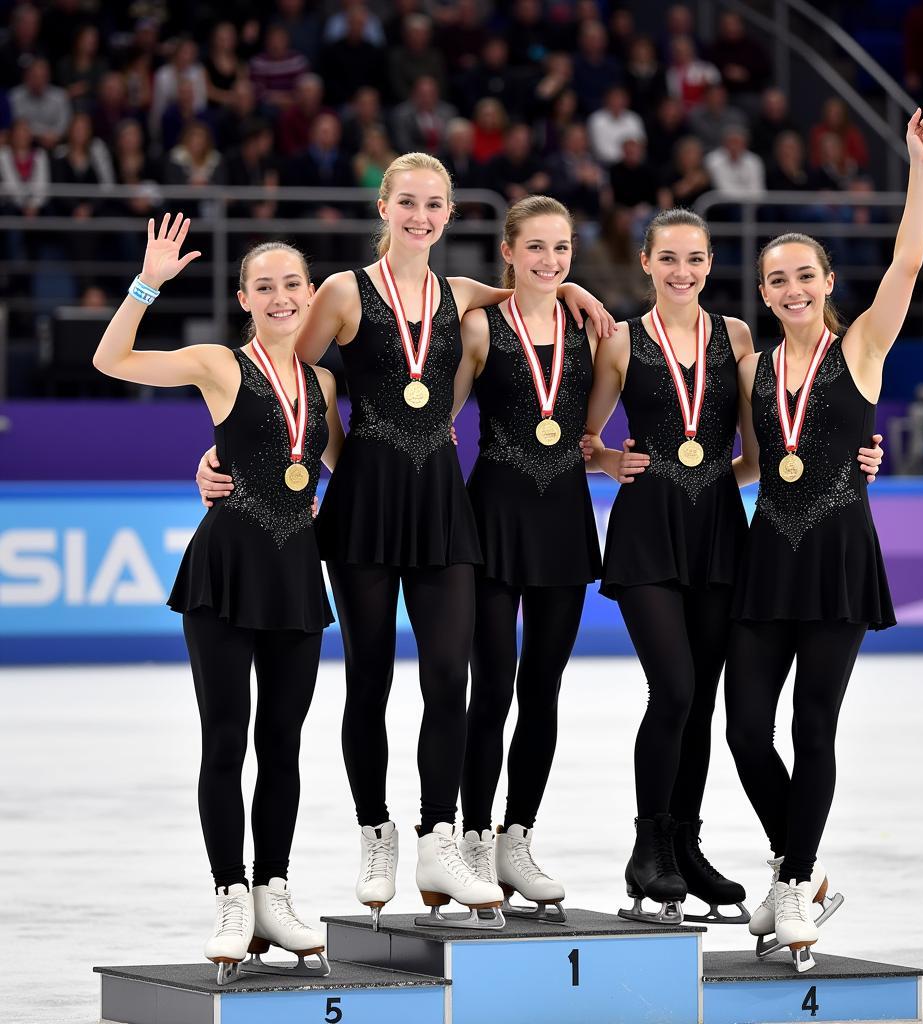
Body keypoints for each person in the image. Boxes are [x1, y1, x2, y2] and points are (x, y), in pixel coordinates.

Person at [195, 152, 611, 931]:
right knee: (371, 679)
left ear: (450, 215)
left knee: (449, 675)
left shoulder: (461, 296)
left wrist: (574, 286)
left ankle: (436, 834)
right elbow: (280, 378)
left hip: (441, 507)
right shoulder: (343, 291)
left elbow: (526, 288)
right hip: (362, 507)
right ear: (384, 207)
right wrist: (219, 456)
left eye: (435, 205)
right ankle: (374, 831)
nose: (421, 216)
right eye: (407, 202)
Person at [584, 207, 884, 927]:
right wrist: (608, 460)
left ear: (712, 264)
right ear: (648, 263)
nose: (682, 271)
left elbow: (764, 447)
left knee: (708, 701)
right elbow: (587, 440)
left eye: (695, 259)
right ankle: (650, 844)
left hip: (720, 531)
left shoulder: (741, 341)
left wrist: (849, 457)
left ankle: (687, 849)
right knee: (677, 688)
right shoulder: (622, 340)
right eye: (668, 259)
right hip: (649, 528)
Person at [92, 214, 344, 983]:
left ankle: (274, 888)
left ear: (310, 295)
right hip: (226, 571)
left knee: (284, 744)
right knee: (226, 740)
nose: (279, 297)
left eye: (291, 284)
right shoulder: (217, 363)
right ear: (243, 297)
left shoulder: (325, 382)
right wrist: (147, 285)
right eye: (263, 286)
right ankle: (230, 893)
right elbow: (112, 359)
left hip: (297, 572)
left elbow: (342, 465)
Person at [727, 109, 923, 972]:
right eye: (777, 279)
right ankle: (800, 869)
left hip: (841, 556)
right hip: (766, 556)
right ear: (766, 290)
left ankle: (795, 878)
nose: (791, 288)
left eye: (804, 275)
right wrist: (673, 474)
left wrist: (918, 169)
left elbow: (910, 261)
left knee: (814, 725)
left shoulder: (863, 348)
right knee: (745, 730)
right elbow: (750, 463)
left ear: (824, 281)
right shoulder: (750, 369)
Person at [452, 195, 603, 922]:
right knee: (495, 687)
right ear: (508, 252)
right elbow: (429, 422)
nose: (550, 261)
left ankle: (519, 838)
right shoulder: (480, 327)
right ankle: (474, 838)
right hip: (494, 522)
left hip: (564, 523)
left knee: (543, 687)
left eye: (562, 249)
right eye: (536, 248)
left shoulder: (589, 328)